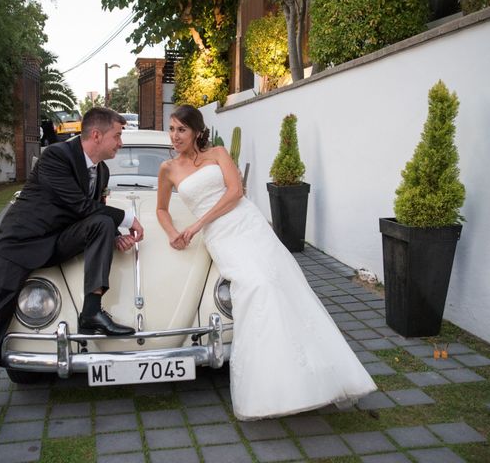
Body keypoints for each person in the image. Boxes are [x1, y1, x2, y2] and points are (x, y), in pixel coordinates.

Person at [156, 105, 377, 420]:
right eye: (172, 129)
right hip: (222, 237)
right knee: (255, 287)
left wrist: (196, 225)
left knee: (279, 282)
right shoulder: (167, 169)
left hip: (247, 224)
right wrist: (172, 233)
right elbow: (161, 210)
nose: (175, 136)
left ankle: (315, 372)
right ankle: (274, 382)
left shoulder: (218, 153)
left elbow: (235, 192)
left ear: (196, 131)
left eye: (182, 129)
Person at [0, 108, 143, 449]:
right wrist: (128, 218)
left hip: (58, 241)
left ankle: (92, 311)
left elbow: (94, 217)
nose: (121, 141)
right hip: (21, 242)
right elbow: (79, 205)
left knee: (104, 225)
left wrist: (114, 234)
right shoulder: (57, 156)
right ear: (96, 136)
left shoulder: (101, 171)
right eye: (118, 135)